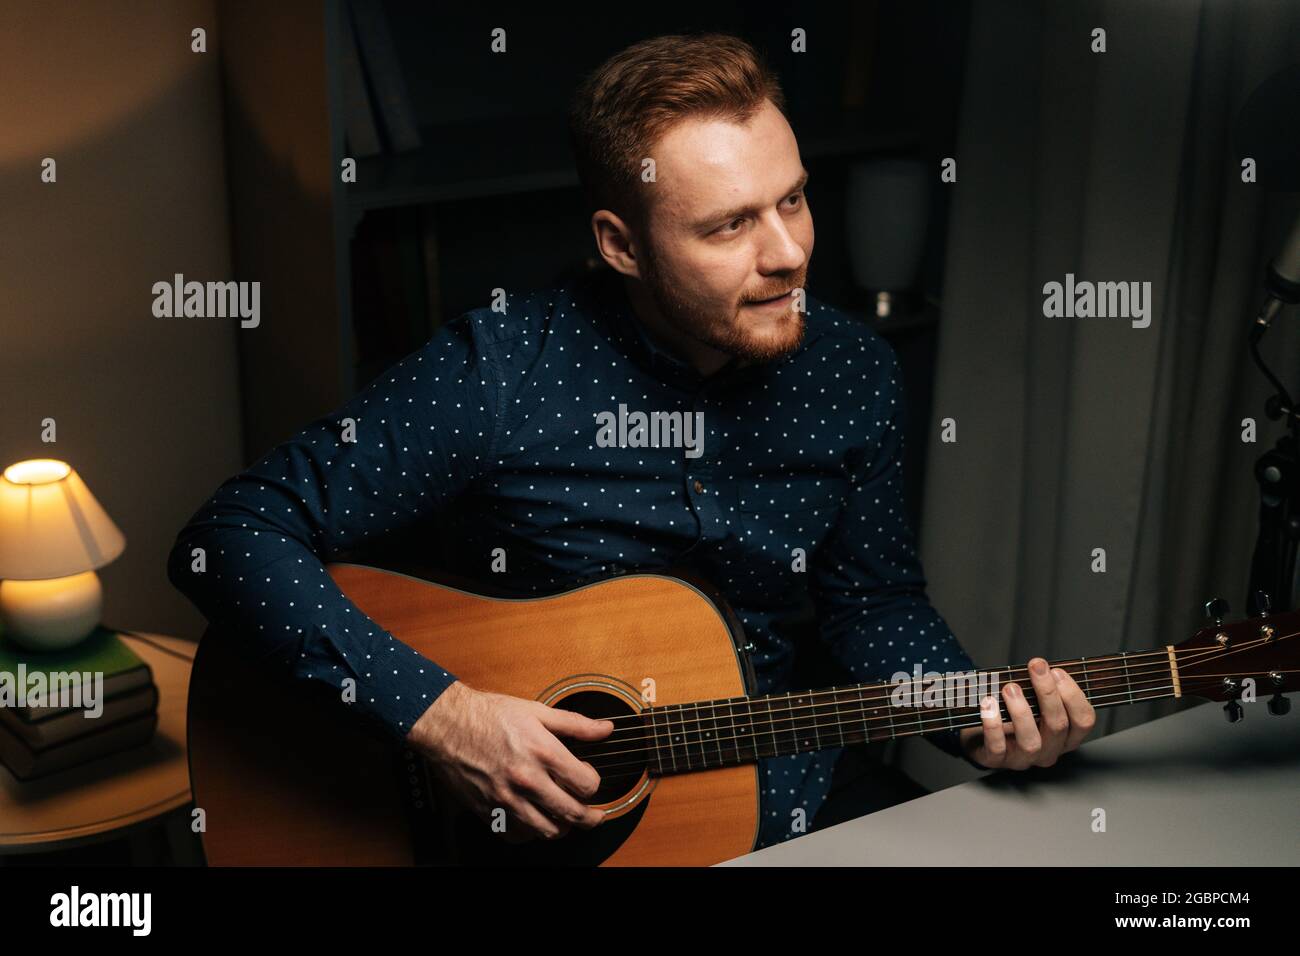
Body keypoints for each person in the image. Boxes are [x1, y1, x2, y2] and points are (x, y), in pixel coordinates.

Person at [168, 32, 1095, 853]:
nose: (788, 253)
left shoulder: (852, 370)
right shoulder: (502, 368)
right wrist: (444, 719)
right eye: (730, 224)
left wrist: (978, 716)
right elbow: (229, 538)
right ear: (620, 244)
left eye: (795, 200)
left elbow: (873, 602)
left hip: (802, 789)